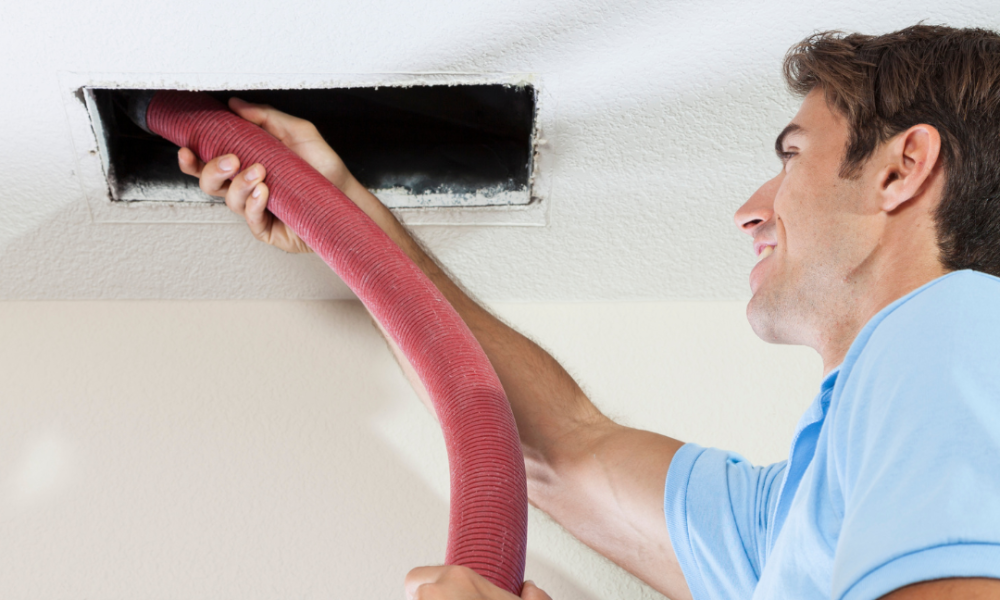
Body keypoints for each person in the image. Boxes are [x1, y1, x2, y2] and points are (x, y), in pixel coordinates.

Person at [178, 24, 1000, 600]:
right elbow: (560, 448)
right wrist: (349, 215)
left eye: (791, 156)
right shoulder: (801, 525)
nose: (750, 210)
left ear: (902, 169)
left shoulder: (954, 328)